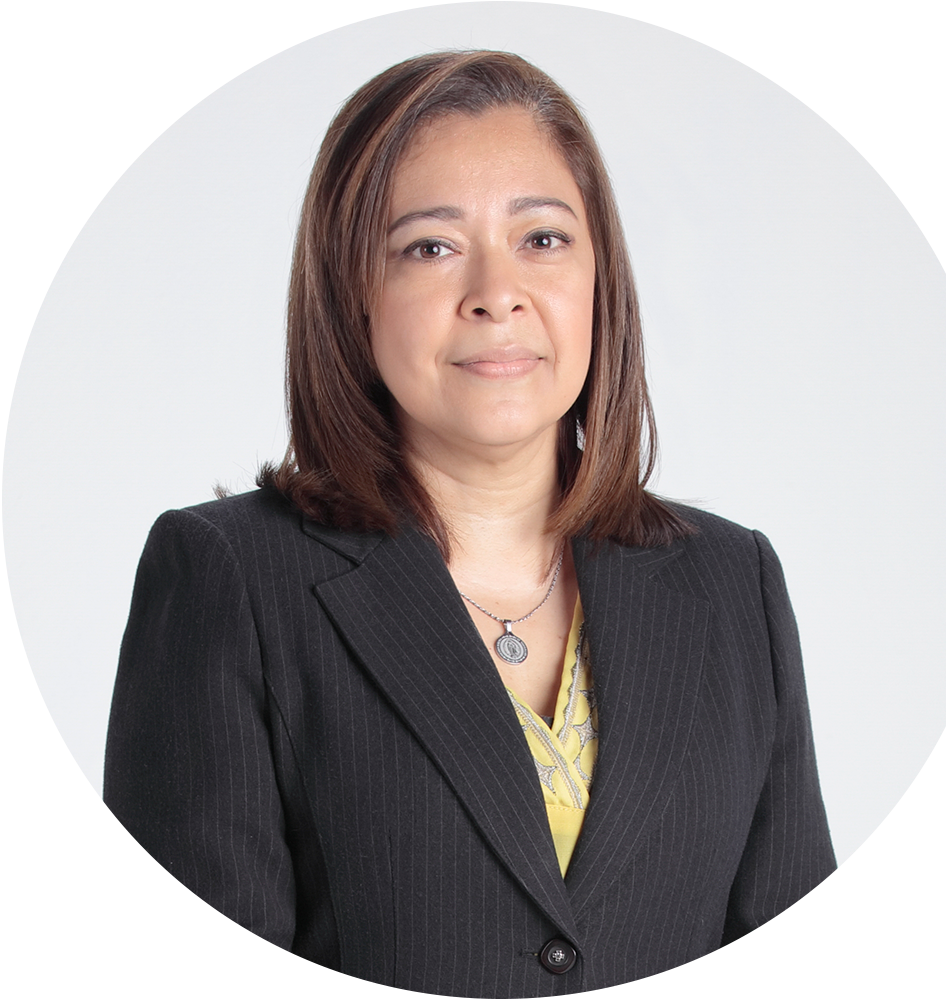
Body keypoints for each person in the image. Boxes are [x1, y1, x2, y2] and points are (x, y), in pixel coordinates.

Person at [104, 50, 851, 999]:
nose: (498, 292)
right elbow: (212, 980)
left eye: (543, 238)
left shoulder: (731, 581)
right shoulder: (231, 579)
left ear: (600, 278)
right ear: (351, 291)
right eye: (430, 247)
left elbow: (793, 970)